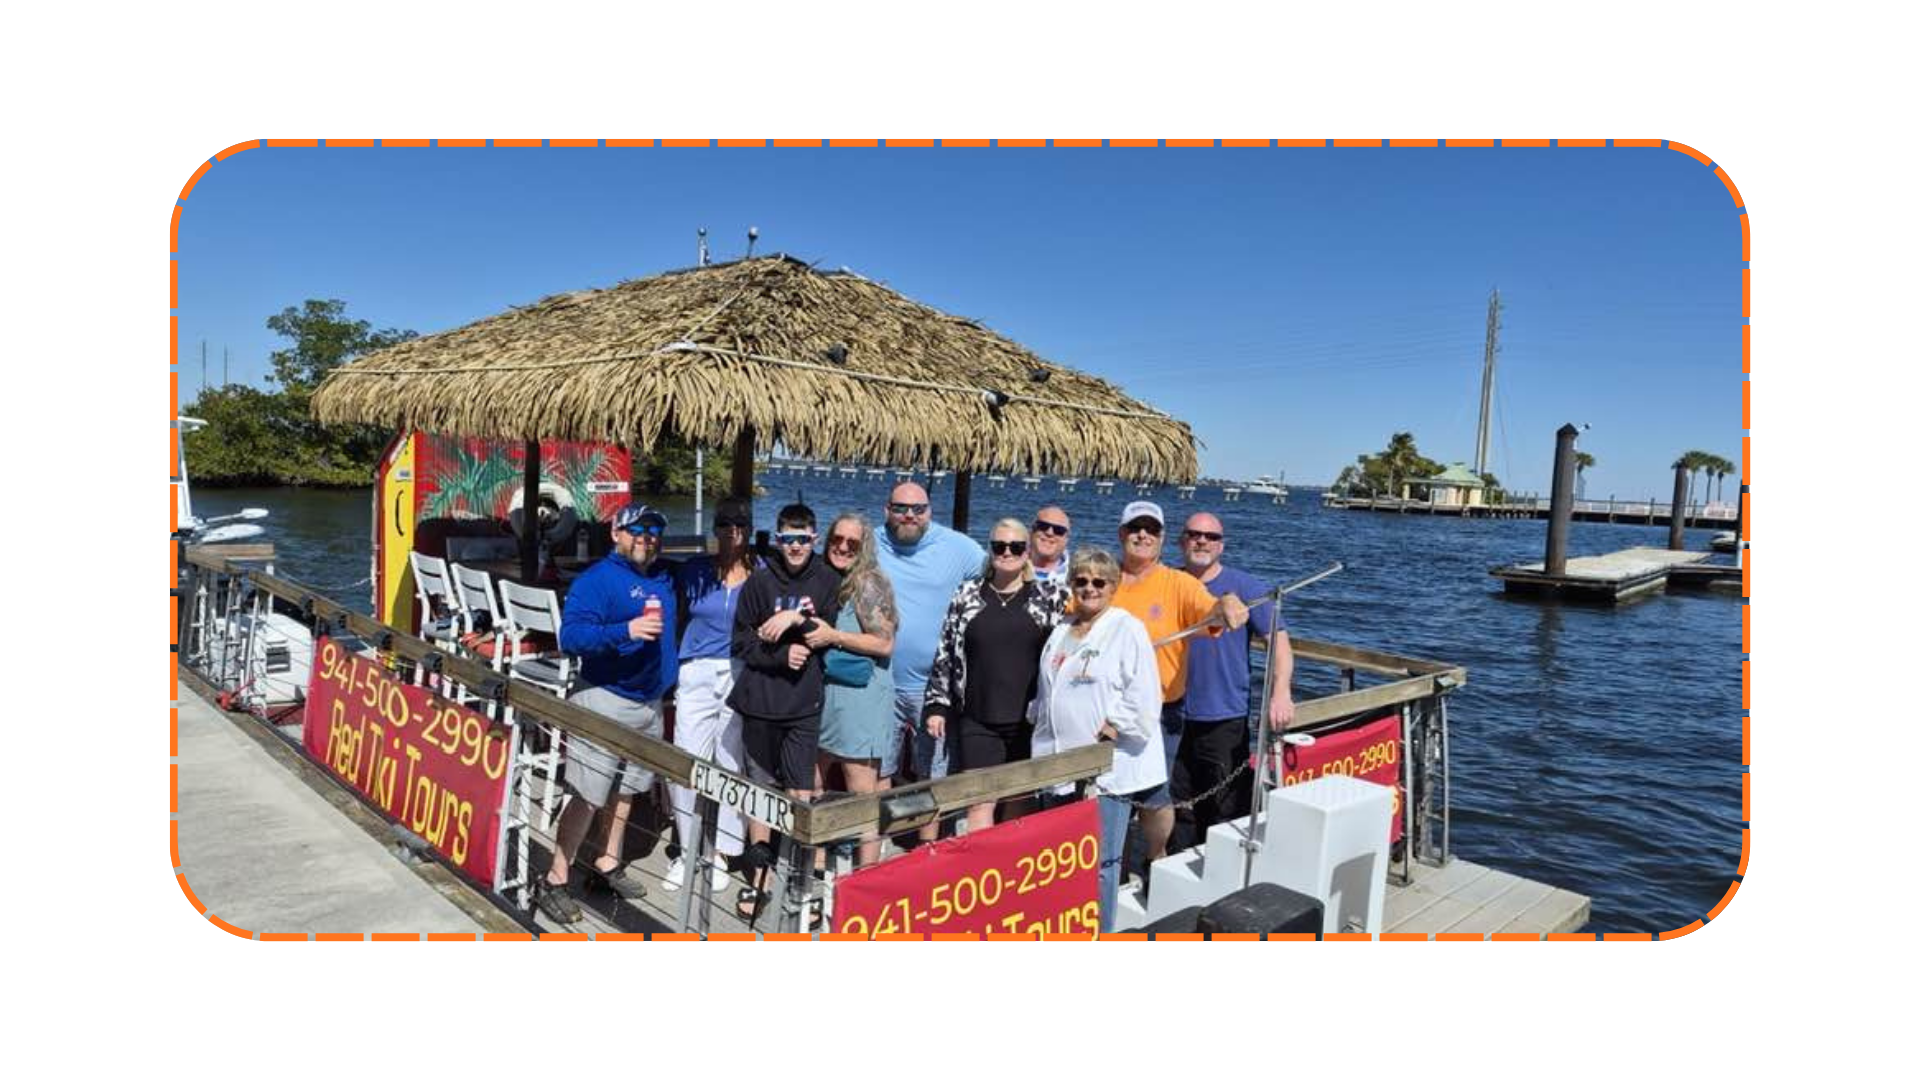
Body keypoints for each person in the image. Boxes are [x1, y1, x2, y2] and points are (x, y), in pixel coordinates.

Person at [539, 504, 678, 924]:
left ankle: (606, 863)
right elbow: (571, 636)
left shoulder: (664, 576)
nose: (646, 537)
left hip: (649, 703)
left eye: (653, 531)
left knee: (628, 789)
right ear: (617, 531)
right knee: (586, 793)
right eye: (637, 529)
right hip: (603, 698)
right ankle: (555, 878)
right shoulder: (597, 580)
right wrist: (627, 631)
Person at [1109, 501, 1247, 870]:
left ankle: (1155, 857)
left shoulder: (1178, 583)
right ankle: (1112, 866)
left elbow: (1212, 608)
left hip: (1161, 710)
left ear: (1162, 538)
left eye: (1151, 529)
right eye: (1135, 527)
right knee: (1109, 794)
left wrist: (1228, 602)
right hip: (1107, 711)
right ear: (1122, 533)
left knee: (1155, 795)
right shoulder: (1103, 579)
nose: (1142, 535)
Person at [1032, 547, 1162, 933]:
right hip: (1054, 760)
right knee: (1059, 855)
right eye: (1081, 580)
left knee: (1100, 861)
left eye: (1098, 582)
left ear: (1113, 586)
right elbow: (1048, 689)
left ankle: (1098, 931)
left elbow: (1144, 693)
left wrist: (1112, 728)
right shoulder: (1061, 630)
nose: (1089, 588)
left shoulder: (1127, 628)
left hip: (1104, 768)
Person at [728, 502, 841, 921]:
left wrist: (796, 617)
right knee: (760, 795)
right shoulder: (758, 583)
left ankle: (806, 879)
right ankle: (759, 880)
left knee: (800, 791)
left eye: (803, 539)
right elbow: (741, 644)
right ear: (777, 539)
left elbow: (826, 635)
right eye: (788, 539)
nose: (795, 546)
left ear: (815, 538)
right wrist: (779, 654)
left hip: (803, 705)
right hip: (761, 701)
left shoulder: (828, 580)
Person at [923, 519, 1068, 834]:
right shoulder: (967, 594)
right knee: (979, 802)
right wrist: (936, 705)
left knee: (1019, 801)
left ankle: (1012, 873)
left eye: (1015, 547)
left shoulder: (1048, 597)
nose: (1006, 552)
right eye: (999, 546)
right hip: (978, 717)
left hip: (1026, 719)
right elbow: (946, 649)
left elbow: (1071, 647)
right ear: (989, 550)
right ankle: (981, 873)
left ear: (1027, 551)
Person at [873, 481, 984, 842]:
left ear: (930, 512)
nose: (910, 515)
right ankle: (881, 841)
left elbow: (1004, 571)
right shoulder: (869, 543)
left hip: (933, 687)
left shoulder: (959, 548)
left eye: (918, 509)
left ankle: (927, 847)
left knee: (932, 772)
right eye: (901, 508)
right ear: (886, 509)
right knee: (878, 769)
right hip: (880, 679)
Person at [1173, 512, 1294, 842]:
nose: (1202, 541)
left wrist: (1280, 692)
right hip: (1171, 713)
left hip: (1224, 716)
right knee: (1176, 803)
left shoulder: (1246, 587)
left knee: (1224, 805)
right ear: (1182, 540)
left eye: (1210, 537)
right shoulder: (1169, 582)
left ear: (1221, 545)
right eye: (1194, 534)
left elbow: (1279, 643)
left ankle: (1221, 878)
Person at [663, 497, 755, 894]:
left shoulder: (761, 573)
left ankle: (722, 852)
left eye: (738, 525)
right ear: (715, 529)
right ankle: (688, 848)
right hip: (696, 669)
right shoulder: (695, 572)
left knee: (731, 763)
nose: (731, 532)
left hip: (738, 670)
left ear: (749, 531)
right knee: (686, 758)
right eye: (724, 525)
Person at [813, 512, 898, 868]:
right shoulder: (826, 578)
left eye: (853, 543)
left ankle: (866, 877)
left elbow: (884, 643)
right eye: (837, 539)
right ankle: (814, 867)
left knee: (862, 793)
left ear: (864, 547)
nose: (843, 547)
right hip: (825, 696)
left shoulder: (868, 582)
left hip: (860, 698)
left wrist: (833, 636)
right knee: (812, 784)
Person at [1028, 505, 1073, 584]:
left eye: (1059, 530)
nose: (1049, 533)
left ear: (1066, 539)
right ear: (1031, 530)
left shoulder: (1076, 576)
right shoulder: (1008, 564)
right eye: (1043, 526)